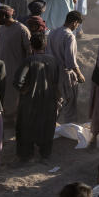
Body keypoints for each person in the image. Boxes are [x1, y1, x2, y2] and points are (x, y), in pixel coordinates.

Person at [14, 31, 60, 162]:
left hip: (30, 101)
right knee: (47, 127)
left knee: (26, 127)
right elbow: (57, 81)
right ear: (45, 46)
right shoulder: (53, 60)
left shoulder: (28, 61)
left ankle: (26, 155)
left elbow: (17, 82)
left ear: (31, 46)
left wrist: (23, 91)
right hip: (49, 100)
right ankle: (45, 155)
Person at [47, 10, 85, 122]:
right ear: (75, 22)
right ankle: (69, 128)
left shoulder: (52, 33)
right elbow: (70, 61)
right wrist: (79, 75)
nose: (77, 27)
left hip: (52, 72)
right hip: (64, 74)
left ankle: (51, 126)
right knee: (70, 101)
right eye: (78, 25)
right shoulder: (69, 36)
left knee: (56, 101)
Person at [0, 4, 31, 115]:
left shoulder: (21, 29)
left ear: (5, 16)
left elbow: (29, 52)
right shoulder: (2, 29)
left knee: (15, 98)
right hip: (2, 70)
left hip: (16, 72)